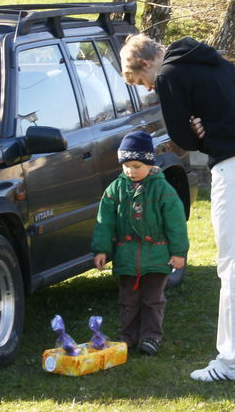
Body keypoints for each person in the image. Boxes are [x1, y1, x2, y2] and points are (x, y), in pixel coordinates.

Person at [120, 34, 235, 382]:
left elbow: (182, 139)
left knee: (234, 268)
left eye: (140, 81)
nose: (147, 89)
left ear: (146, 63)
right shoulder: (214, 60)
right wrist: (202, 125)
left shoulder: (169, 75)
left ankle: (233, 363)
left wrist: (199, 133)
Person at [91, 130, 189, 356]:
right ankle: (127, 337)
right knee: (128, 300)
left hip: (156, 256)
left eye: (136, 166)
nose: (130, 171)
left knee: (153, 300)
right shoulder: (115, 189)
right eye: (126, 165)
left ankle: (151, 337)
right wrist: (102, 249)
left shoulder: (162, 189)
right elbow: (104, 222)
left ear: (148, 164)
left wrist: (178, 252)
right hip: (127, 256)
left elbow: (176, 223)